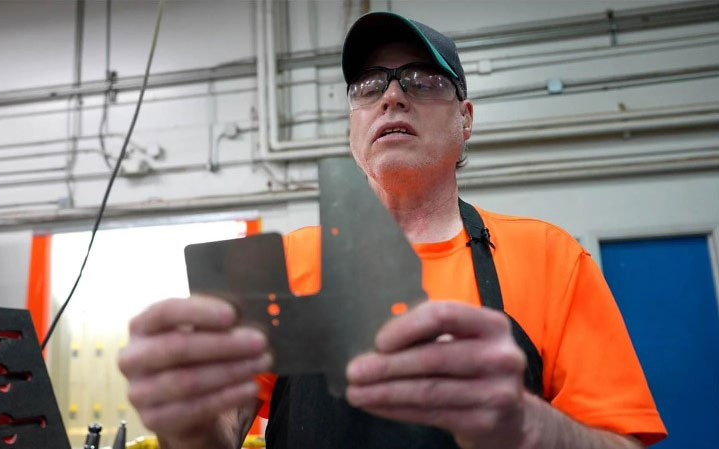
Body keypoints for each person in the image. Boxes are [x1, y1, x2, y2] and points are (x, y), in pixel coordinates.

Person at [118, 12, 667, 449]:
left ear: (465, 118)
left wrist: (530, 428)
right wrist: (185, 425)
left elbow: (621, 442)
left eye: (423, 81)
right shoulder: (279, 266)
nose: (392, 96)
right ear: (353, 124)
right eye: (369, 85)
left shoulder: (550, 257)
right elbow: (218, 430)